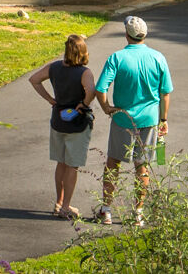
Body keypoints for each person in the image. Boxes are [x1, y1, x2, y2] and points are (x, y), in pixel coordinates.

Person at [93, 14, 172, 226]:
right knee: (142, 166)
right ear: (144, 35)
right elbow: (165, 93)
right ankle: (138, 213)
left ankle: (107, 210)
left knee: (113, 162)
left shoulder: (117, 58)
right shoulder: (158, 58)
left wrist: (107, 108)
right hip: (149, 120)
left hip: (122, 119)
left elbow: (100, 89)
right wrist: (163, 119)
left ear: (127, 35)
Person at [26, 33, 97, 219]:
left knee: (61, 163)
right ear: (82, 52)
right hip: (77, 122)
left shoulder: (54, 67)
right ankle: (66, 207)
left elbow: (34, 79)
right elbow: (91, 90)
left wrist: (51, 100)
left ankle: (59, 202)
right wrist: (83, 104)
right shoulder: (84, 72)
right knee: (72, 166)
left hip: (58, 120)